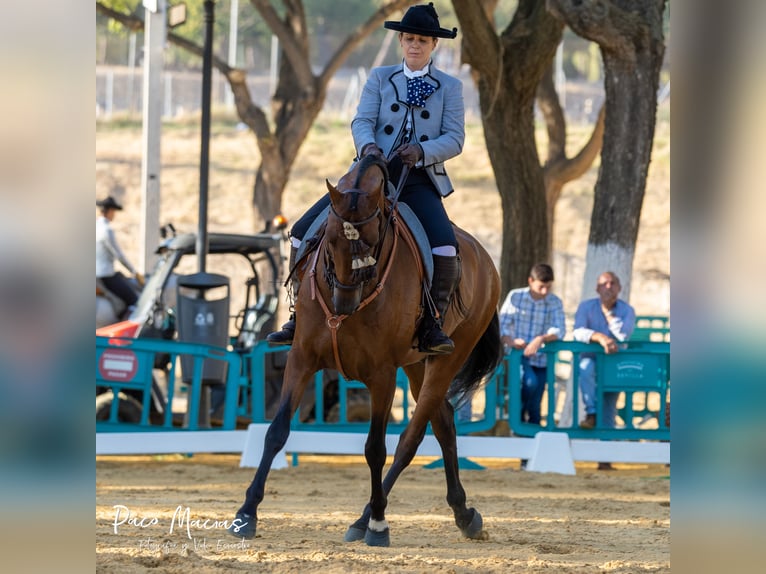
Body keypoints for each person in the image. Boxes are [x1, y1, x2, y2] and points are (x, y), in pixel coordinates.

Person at [268, 3, 464, 355]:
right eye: (409, 39)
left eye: (422, 40)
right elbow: (361, 120)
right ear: (400, 41)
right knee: (300, 232)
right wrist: (370, 145)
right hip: (370, 174)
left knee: (445, 246)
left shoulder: (450, 87)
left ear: (434, 45)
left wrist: (421, 151)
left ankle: (432, 323)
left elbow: (455, 138)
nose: (415, 45)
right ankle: (299, 314)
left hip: (418, 178)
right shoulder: (379, 77)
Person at [499, 263, 566, 429]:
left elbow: (560, 329)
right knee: (530, 383)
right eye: (541, 287)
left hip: (542, 359)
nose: (545, 292)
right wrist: (512, 342)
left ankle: (529, 445)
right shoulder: (515, 297)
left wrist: (540, 339)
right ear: (530, 281)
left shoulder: (554, 301)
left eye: (548, 287)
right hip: (520, 356)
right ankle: (519, 417)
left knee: (536, 403)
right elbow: (503, 326)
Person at [573, 271, 636, 433]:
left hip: (614, 363)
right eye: (604, 284)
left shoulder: (627, 310)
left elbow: (622, 336)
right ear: (597, 288)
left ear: (619, 288)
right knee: (585, 368)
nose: (608, 287)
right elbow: (578, 332)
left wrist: (609, 314)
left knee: (609, 405)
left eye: (612, 283)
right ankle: (591, 413)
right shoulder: (585, 307)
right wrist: (599, 337)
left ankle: (606, 449)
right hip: (590, 359)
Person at [96, 196, 143, 314]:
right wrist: (134, 272)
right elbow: (119, 255)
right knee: (133, 300)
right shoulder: (106, 230)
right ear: (110, 211)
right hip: (105, 275)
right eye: (114, 212)